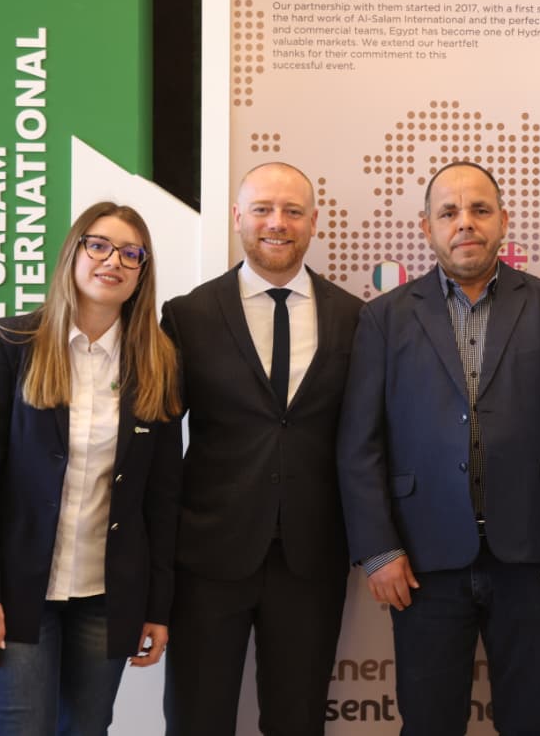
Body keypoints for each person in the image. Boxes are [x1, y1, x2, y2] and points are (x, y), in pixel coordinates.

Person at [337, 160, 540, 736]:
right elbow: (360, 444)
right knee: (429, 722)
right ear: (426, 227)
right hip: (421, 562)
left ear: (503, 221)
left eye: (480, 210)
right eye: (449, 212)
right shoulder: (384, 318)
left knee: (530, 720)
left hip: (532, 558)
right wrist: (378, 549)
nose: (465, 223)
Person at [0, 202, 182, 736]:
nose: (113, 261)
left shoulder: (159, 362)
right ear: (73, 254)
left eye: (131, 254)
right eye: (98, 245)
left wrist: (158, 607)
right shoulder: (13, 343)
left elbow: (163, 497)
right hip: (16, 592)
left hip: (107, 597)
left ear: (142, 272)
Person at [160, 162, 362, 736]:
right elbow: (157, 444)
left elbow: (366, 442)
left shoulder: (355, 317)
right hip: (207, 557)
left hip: (311, 557)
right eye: (263, 210)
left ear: (314, 221)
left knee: (298, 721)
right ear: (237, 218)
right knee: (197, 721)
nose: (278, 223)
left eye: (293, 211)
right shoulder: (187, 315)